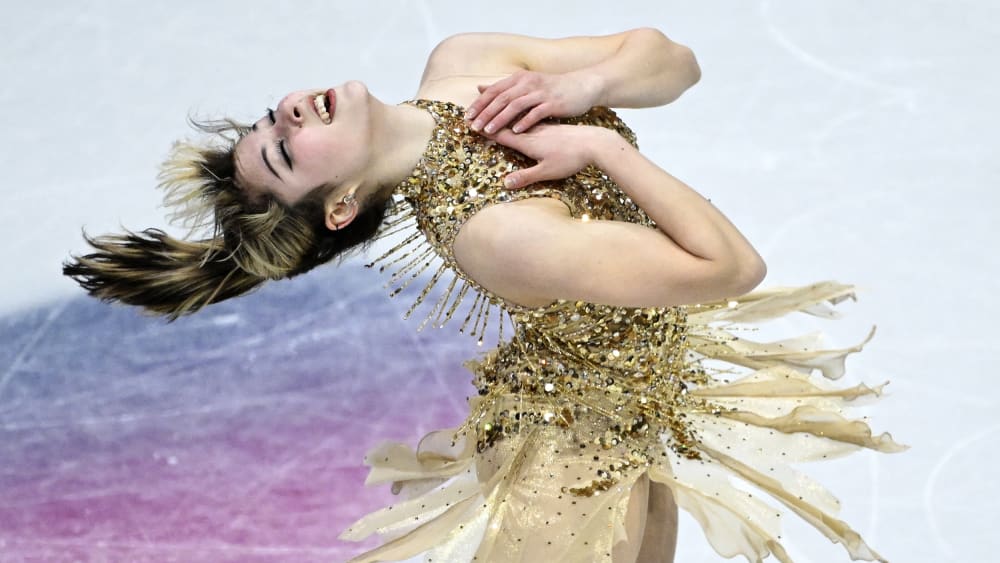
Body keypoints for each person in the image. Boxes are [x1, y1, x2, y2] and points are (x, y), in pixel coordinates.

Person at [63, 28, 903, 562]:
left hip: (637, 410)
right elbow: (731, 267)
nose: (288, 111)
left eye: (270, 119)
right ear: (342, 205)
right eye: (286, 149)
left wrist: (589, 82)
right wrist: (603, 151)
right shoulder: (494, 230)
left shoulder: (462, 63)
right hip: (574, 463)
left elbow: (673, 59)